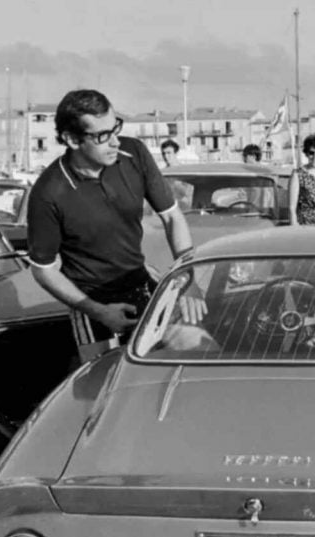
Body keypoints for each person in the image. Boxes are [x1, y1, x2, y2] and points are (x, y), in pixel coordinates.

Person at [26, 89, 197, 362]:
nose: (116, 141)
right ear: (72, 139)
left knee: (197, 348)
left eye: (115, 127)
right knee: (102, 385)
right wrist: (98, 311)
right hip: (91, 302)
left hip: (141, 283)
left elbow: (172, 217)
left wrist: (188, 278)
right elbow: (43, 271)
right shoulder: (48, 193)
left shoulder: (134, 154)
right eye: (102, 136)